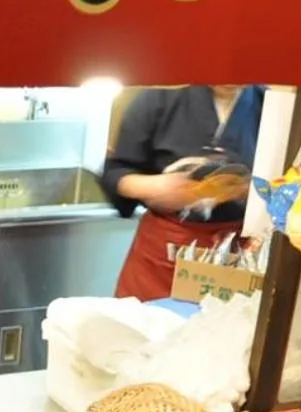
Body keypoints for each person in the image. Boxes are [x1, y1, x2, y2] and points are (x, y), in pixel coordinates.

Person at [103, 84, 264, 301]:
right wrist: (157, 186)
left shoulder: (267, 103)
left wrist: (248, 191)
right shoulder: (159, 96)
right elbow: (116, 172)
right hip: (163, 253)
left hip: (233, 255)